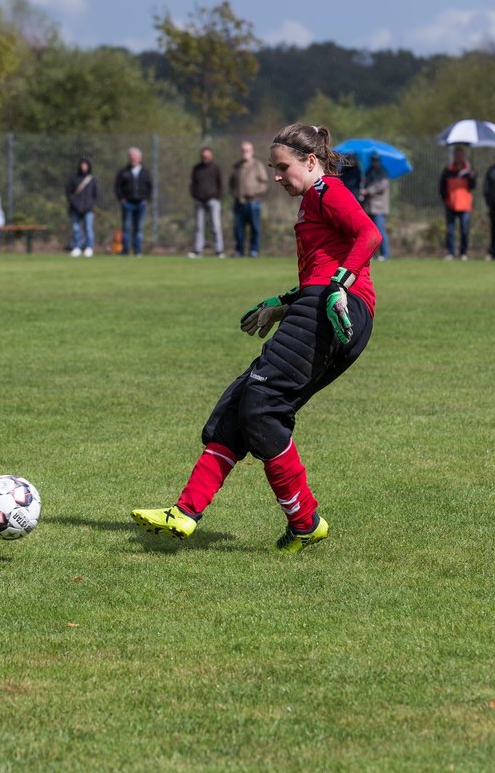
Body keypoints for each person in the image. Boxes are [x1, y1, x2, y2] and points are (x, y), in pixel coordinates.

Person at [132, 123, 381, 554]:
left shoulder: (327, 191)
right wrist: (283, 301)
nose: (277, 177)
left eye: (283, 168)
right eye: (272, 168)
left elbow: (369, 235)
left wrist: (339, 285)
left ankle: (305, 521)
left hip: (337, 306)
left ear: (310, 161)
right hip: (321, 302)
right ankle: (186, 514)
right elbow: (322, 268)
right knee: (239, 406)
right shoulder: (311, 202)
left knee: (263, 404)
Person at [229, 141, 268, 257]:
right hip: (239, 203)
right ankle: (239, 250)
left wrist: (253, 192)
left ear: (252, 152)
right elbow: (231, 183)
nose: (245, 152)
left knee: (255, 229)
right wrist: (234, 194)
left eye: (247, 150)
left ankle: (254, 250)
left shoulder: (257, 165)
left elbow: (264, 183)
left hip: (253, 203)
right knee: (238, 230)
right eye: (243, 150)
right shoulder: (236, 166)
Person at [113, 146, 152, 256]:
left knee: (139, 229)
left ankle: (138, 251)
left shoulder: (145, 172)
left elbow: (150, 187)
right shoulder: (123, 172)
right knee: (126, 228)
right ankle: (125, 251)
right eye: (131, 157)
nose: (133, 159)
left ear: (140, 158)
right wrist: (122, 199)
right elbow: (117, 187)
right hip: (127, 204)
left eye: (135, 157)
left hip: (141, 203)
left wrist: (146, 199)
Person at [440, 145, 476, 260]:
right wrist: (445, 199)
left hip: (465, 205)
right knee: (450, 230)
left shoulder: (468, 170)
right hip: (450, 204)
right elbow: (442, 187)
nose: (459, 157)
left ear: (463, 156)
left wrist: (472, 176)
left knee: (464, 230)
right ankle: (450, 252)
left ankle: (463, 252)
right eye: (457, 155)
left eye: (461, 155)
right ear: (454, 156)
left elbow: (472, 186)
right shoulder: (448, 170)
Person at [188, 146, 224, 258]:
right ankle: (198, 250)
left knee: (216, 226)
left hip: (213, 200)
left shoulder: (216, 168)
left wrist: (217, 196)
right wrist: (195, 195)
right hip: (199, 201)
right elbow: (192, 183)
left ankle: (219, 250)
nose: (205, 158)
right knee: (199, 227)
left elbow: (220, 184)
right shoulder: (196, 168)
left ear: (211, 156)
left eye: (207, 156)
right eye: (203, 156)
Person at [360, 153, 391, 260]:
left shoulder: (383, 172)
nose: (375, 163)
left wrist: (367, 190)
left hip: (379, 207)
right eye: (373, 160)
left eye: (376, 161)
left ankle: (385, 254)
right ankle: (373, 254)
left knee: (380, 229)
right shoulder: (368, 171)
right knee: (370, 231)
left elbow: (381, 186)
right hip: (369, 206)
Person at [66, 157, 97, 257]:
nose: (84, 167)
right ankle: (77, 247)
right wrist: (76, 205)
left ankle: (89, 247)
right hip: (75, 208)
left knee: (88, 228)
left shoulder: (92, 180)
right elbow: (69, 194)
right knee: (76, 228)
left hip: (88, 209)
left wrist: (89, 206)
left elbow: (95, 195)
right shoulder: (73, 179)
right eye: (82, 165)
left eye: (85, 165)